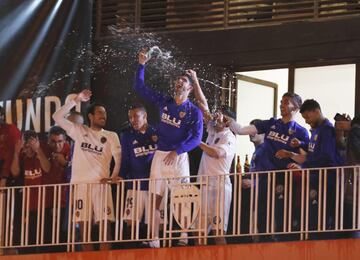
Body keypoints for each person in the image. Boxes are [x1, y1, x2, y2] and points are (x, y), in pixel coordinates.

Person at [134, 50, 203, 248]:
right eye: (178, 80)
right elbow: (140, 87)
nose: (179, 82)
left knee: (182, 198)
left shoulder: (193, 111)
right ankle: (154, 238)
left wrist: (178, 151)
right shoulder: (165, 101)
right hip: (160, 156)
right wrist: (141, 65)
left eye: (184, 81)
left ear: (189, 88)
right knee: (156, 198)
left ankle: (182, 236)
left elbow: (197, 139)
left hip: (179, 158)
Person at [224, 92, 309, 236]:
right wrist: (229, 121)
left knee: (281, 215)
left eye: (286, 102)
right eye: (281, 101)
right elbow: (241, 130)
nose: (281, 104)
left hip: (283, 179)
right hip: (264, 178)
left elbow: (306, 158)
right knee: (261, 215)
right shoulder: (271, 123)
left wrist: (296, 162)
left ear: (296, 107)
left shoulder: (301, 132)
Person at [52, 90, 121, 251]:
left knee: (105, 230)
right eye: (99, 113)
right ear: (90, 116)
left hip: (101, 186)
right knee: (84, 232)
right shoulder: (79, 130)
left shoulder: (111, 135)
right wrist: (76, 100)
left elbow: (118, 159)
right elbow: (57, 117)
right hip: (81, 185)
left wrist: (114, 176)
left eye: (105, 113)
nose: (103, 115)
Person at [276, 99, 343, 232]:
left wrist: (304, 166)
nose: (306, 121)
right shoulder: (317, 130)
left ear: (316, 111)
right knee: (313, 215)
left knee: (321, 216)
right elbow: (315, 148)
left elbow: (326, 156)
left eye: (307, 117)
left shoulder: (327, 130)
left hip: (326, 180)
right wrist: (301, 144)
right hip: (316, 178)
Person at [191, 74, 236, 245]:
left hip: (219, 188)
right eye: (217, 114)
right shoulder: (212, 129)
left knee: (218, 233)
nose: (216, 117)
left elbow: (215, 153)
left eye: (220, 116)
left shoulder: (229, 137)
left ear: (228, 122)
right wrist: (195, 80)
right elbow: (203, 106)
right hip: (204, 185)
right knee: (198, 233)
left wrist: (196, 141)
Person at [120, 104, 158, 243]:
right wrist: (121, 176)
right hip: (135, 185)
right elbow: (125, 159)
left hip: (155, 186)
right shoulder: (126, 135)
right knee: (131, 222)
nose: (132, 120)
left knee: (157, 223)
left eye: (136, 116)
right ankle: (133, 250)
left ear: (145, 116)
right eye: (130, 117)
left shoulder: (157, 132)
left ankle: (156, 249)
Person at [11, 130, 51, 253]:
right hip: (27, 205)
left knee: (45, 239)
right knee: (28, 240)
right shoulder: (22, 156)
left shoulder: (42, 152)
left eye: (31, 146)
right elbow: (15, 172)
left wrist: (37, 149)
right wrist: (16, 153)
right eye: (26, 146)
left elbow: (47, 168)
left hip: (43, 204)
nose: (28, 149)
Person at [42, 126, 71, 251]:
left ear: (65, 141)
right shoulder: (42, 149)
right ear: (48, 141)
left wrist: (65, 163)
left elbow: (76, 173)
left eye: (60, 141)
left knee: (64, 239)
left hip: (65, 202)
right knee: (46, 239)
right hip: (46, 201)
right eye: (53, 142)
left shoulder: (71, 150)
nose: (57, 145)